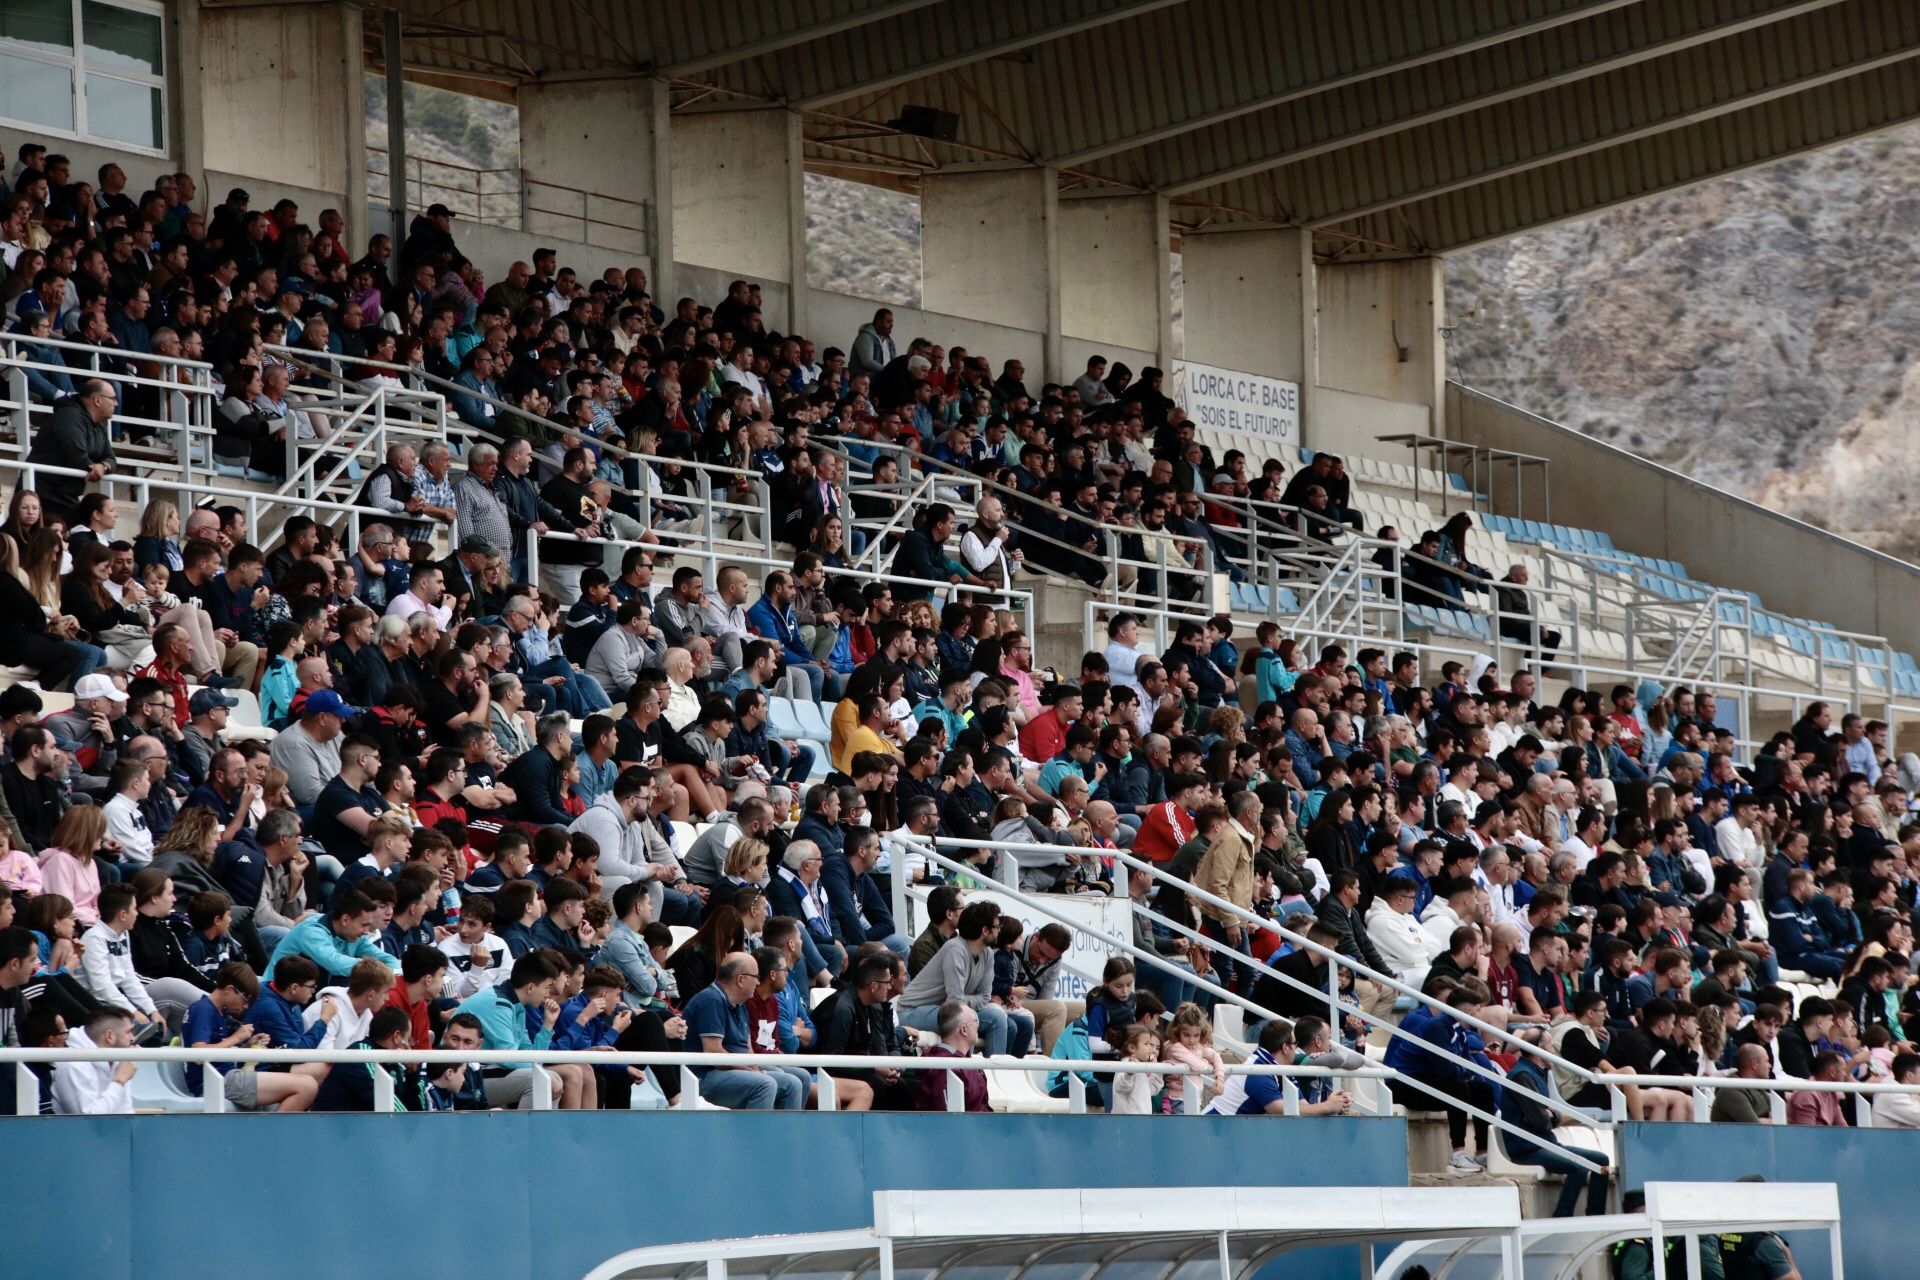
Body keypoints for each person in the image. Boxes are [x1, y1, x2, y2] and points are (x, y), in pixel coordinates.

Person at [899, 901, 1028, 1057]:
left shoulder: (987, 954)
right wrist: (961, 1000)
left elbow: (984, 997)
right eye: (997, 927)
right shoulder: (955, 949)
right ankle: (965, 1073)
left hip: (946, 1009)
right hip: (913, 1011)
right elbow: (955, 1002)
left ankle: (993, 1075)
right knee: (965, 1019)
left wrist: (961, 1000)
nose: (999, 931)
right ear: (985, 931)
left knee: (998, 1017)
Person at [683, 950, 806, 1109]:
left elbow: (748, 1051)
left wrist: (754, 1068)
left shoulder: (740, 1004)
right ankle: (753, 1134)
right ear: (740, 979)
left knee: (793, 1083)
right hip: (704, 1076)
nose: (758, 982)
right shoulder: (710, 1001)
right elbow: (713, 1053)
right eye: (756, 977)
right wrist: (750, 1070)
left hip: (730, 1071)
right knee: (765, 1084)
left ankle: (785, 1134)